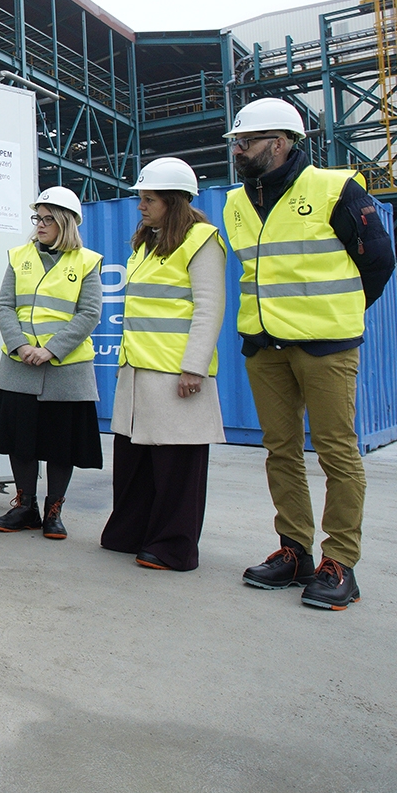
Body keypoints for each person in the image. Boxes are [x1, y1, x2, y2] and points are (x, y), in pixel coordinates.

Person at [223, 97, 394, 610]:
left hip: (325, 346)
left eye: (245, 141)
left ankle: (340, 562)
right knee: (281, 450)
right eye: (236, 142)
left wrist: (335, 313)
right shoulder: (236, 203)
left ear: (279, 143)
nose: (237, 149)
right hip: (264, 345)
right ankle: (294, 551)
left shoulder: (334, 189)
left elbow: (378, 261)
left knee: (337, 451)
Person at [100, 158, 226, 571]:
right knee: (135, 464)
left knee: (177, 468)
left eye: (149, 199)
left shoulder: (202, 240)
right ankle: (131, 533)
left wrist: (194, 367)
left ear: (174, 201)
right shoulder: (146, 244)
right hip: (138, 371)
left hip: (175, 374)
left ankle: (173, 546)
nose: (141, 205)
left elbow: (209, 308)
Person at [0, 187, 103, 540]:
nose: (39, 225)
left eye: (48, 219)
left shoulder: (86, 262)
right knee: (20, 440)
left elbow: (89, 313)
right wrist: (21, 345)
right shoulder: (19, 257)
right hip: (20, 364)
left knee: (60, 444)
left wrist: (51, 350)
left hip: (65, 369)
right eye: (37, 218)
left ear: (66, 222)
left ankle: (54, 511)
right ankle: (25, 507)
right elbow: (4, 305)